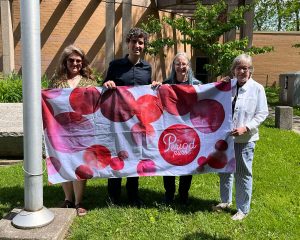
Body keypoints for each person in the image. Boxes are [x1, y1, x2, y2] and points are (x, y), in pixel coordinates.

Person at [103, 27, 160, 207]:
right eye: (134, 41)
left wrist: (155, 86)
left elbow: (145, 93)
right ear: (128, 43)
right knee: (117, 155)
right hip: (118, 122)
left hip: (138, 122)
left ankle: (133, 195)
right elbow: (103, 87)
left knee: (136, 156)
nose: (137, 45)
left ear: (144, 46)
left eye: (141, 42)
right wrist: (107, 83)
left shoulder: (147, 68)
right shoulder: (115, 66)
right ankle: (113, 196)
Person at [213, 54, 268, 220]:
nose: (243, 71)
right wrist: (218, 86)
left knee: (243, 173)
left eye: (246, 68)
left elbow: (262, 113)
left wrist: (246, 127)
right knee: (224, 170)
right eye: (239, 68)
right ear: (234, 70)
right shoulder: (228, 86)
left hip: (245, 139)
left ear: (250, 70)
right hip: (226, 138)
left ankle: (243, 209)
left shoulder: (257, 89)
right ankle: (225, 201)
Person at [48, 44, 97, 216]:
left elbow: (97, 103)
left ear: (83, 63)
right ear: (65, 61)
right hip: (60, 129)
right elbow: (48, 103)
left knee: (79, 164)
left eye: (78, 60)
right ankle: (68, 199)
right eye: (71, 60)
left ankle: (79, 202)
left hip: (82, 130)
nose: (75, 63)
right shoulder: (56, 81)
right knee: (63, 161)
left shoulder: (89, 82)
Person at [163, 52, 202, 205]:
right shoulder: (166, 84)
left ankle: (183, 194)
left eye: (183, 64)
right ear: (173, 66)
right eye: (177, 64)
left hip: (189, 130)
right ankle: (169, 193)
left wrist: (223, 85)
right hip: (171, 130)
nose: (181, 67)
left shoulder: (197, 85)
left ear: (188, 66)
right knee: (168, 160)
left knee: (187, 161)